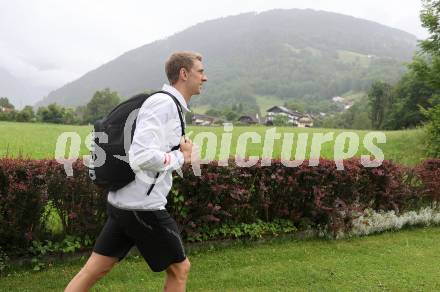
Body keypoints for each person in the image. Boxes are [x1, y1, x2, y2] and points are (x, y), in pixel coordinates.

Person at [65, 51, 208, 292]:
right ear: (184, 74)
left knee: (94, 269)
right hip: (142, 206)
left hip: (125, 203)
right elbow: (141, 156)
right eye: (201, 72)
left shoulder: (168, 104)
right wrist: (179, 157)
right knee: (179, 269)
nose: (205, 78)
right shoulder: (164, 104)